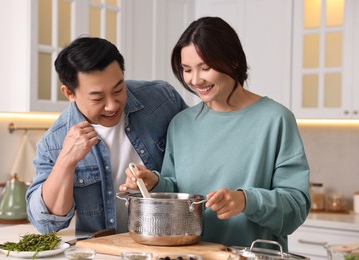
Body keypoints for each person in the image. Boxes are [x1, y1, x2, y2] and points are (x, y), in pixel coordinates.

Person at [120, 17, 310, 251]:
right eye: (187, 70)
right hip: (191, 254)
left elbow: (296, 206)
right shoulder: (181, 123)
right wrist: (155, 183)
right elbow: (179, 191)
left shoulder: (276, 119)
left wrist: (246, 201)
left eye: (205, 68)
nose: (195, 80)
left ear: (232, 61)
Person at [26, 37, 188, 234]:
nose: (112, 105)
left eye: (118, 89)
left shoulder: (161, 100)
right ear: (69, 93)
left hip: (170, 239)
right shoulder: (54, 142)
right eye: (97, 98)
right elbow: (46, 224)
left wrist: (157, 182)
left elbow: (196, 160)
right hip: (104, 250)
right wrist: (66, 161)